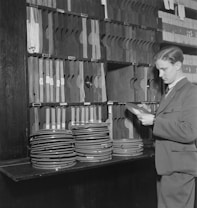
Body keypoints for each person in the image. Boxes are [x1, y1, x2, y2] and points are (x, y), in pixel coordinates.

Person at [136, 46, 197, 208]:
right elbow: (170, 125)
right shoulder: (170, 92)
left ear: (177, 66)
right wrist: (151, 117)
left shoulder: (191, 92)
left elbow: (189, 132)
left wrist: (155, 121)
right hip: (167, 165)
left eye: (164, 69)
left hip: (179, 169)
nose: (160, 75)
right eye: (158, 71)